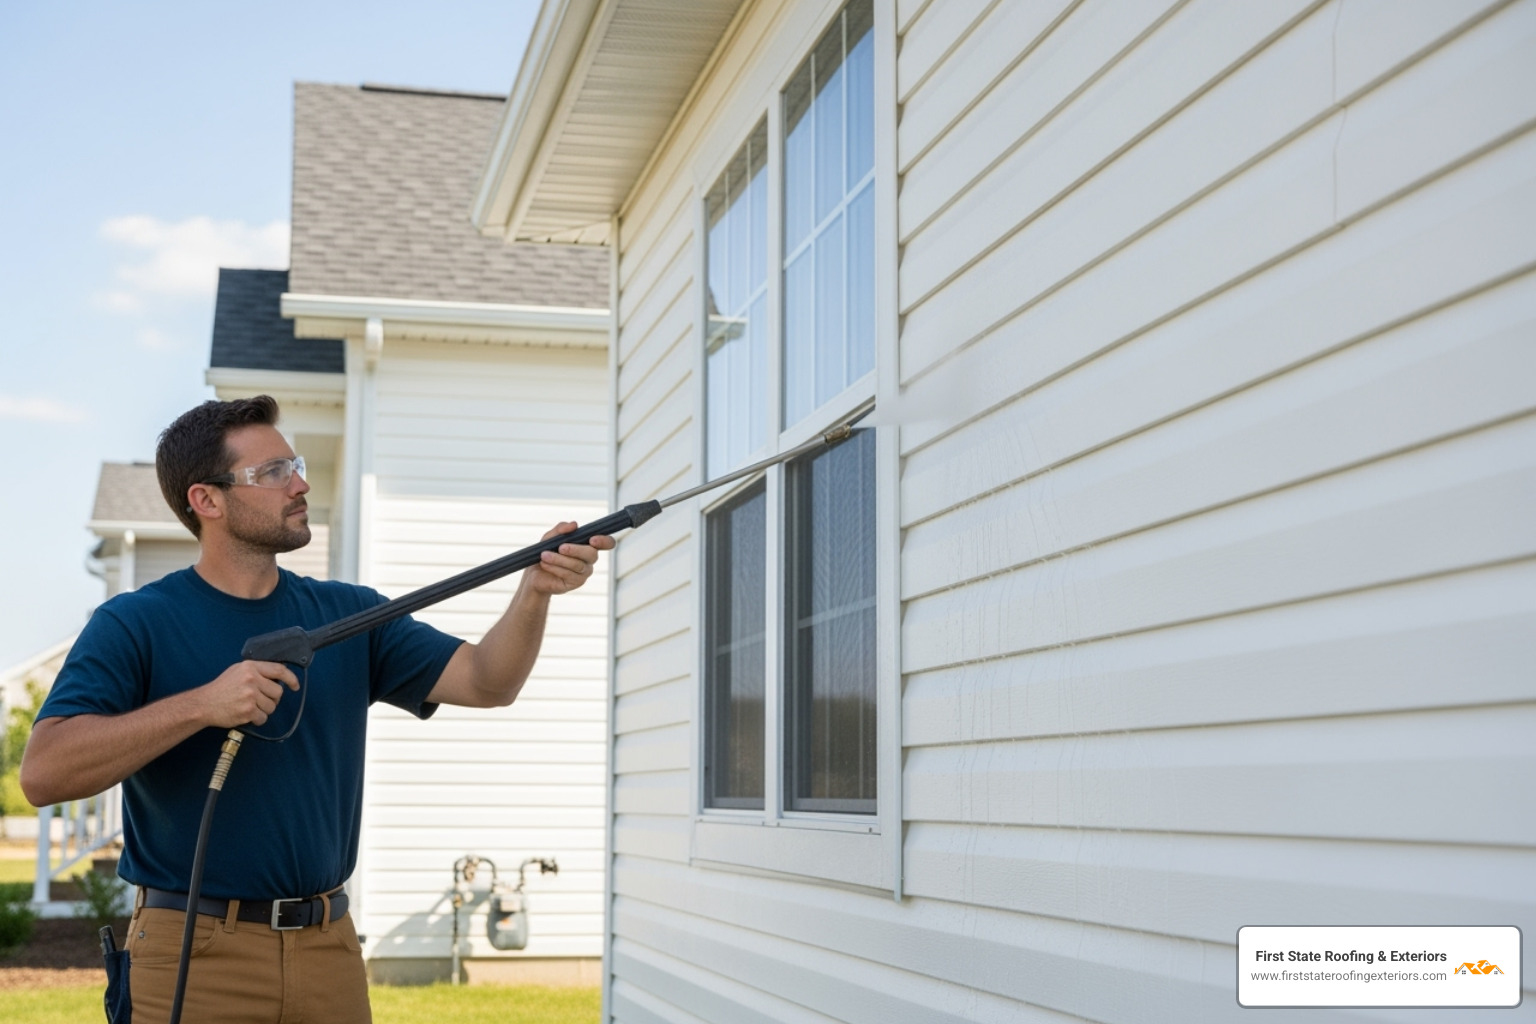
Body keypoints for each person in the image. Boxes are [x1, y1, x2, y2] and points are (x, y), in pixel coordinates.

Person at [19, 396, 612, 1023]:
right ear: (207, 501)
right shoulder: (136, 623)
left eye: (294, 465)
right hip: (194, 953)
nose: (299, 483)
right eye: (271, 473)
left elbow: (488, 681)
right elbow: (44, 772)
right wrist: (202, 705)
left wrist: (535, 592)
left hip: (329, 947)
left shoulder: (350, 614)